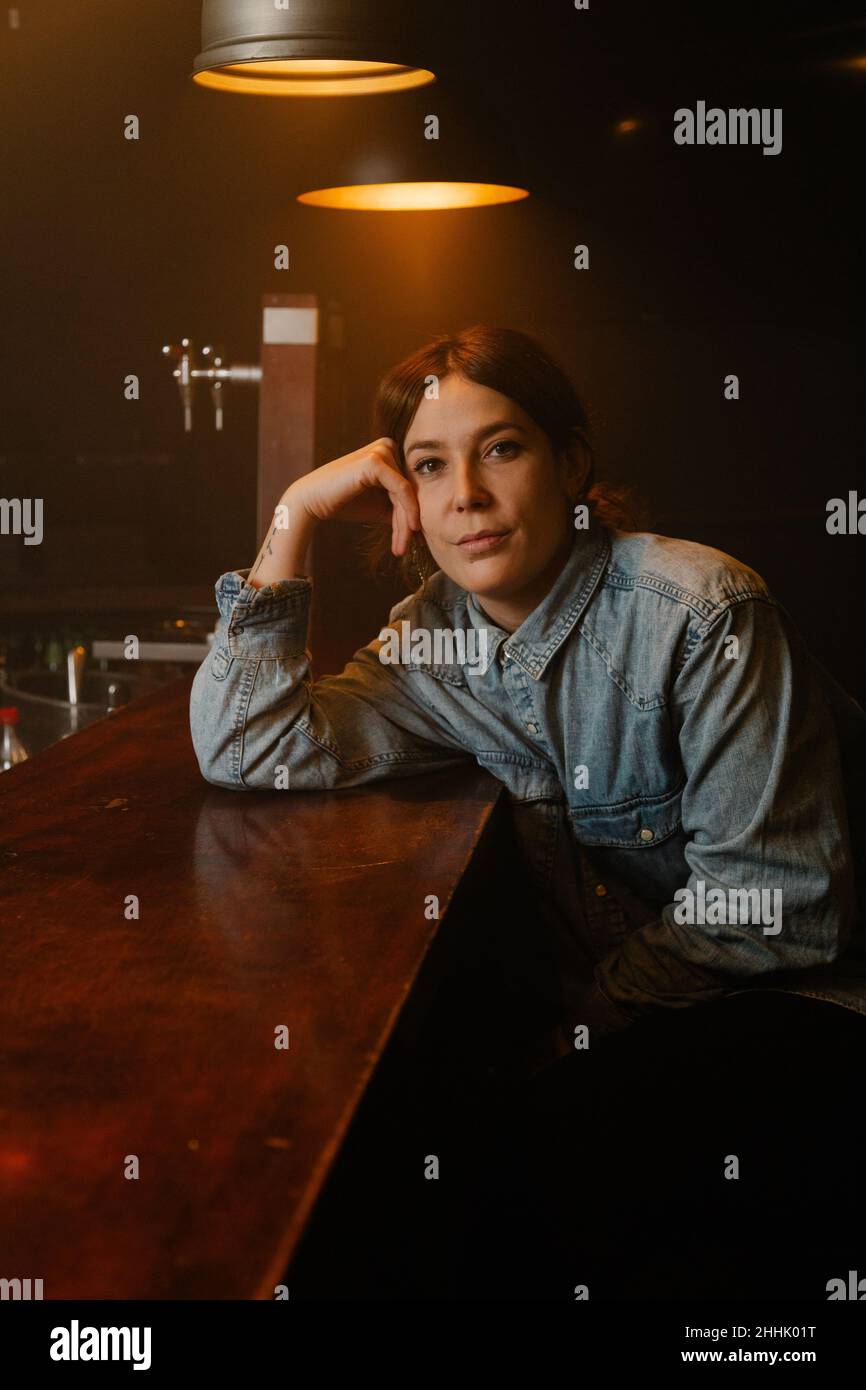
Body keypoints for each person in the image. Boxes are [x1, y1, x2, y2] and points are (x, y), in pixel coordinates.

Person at [189, 324, 866, 1298]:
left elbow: (776, 902)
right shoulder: (433, 641)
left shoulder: (700, 611)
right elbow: (247, 744)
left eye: (499, 448)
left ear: (571, 462)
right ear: (405, 499)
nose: (463, 493)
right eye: (428, 466)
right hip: (638, 1025)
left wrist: (577, 1029)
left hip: (804, 1006)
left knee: (499, 1190)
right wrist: (293, 512)